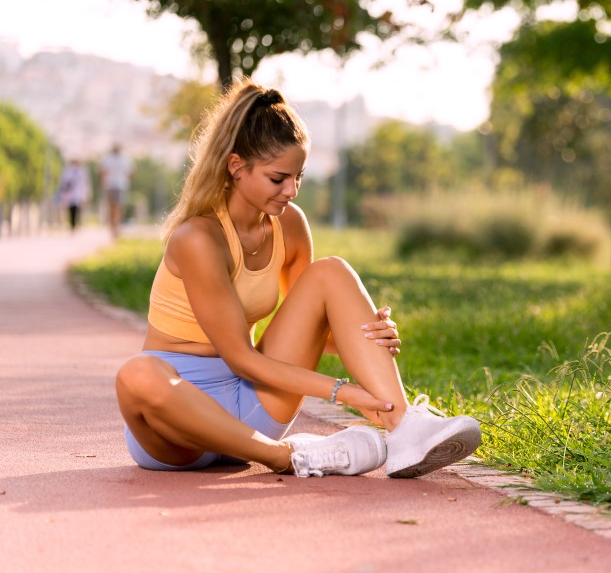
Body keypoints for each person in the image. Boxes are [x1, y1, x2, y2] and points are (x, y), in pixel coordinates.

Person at [115, 79, 481, 478]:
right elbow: (241, 356)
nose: (292, 190)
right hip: (176, 429)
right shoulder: (198, 239)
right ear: (237, 167)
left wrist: (366, 336)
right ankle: (288, 457)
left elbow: (314, 335)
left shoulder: (289, 225)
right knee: (137, 374)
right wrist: (340, 391)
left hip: (252, 404)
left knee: (332, 272)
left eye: (299, 176)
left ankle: (404, 428)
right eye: (278, 178)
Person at [99, 142, 133, 238]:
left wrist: (102, 183)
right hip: (120, 185)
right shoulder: (125, 159)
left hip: (111, 185)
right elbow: (130, 173)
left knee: (112, 207)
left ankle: (113, 226)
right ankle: (115, 226)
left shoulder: (107, 158)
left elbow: (102, 172)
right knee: (118, 207)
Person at [57, 158, 92, 232]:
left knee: (78, 209)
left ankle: (77, 224)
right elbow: (63, 182)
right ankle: (72, 225)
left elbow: (86, 183)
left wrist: (87, 193)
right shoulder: (67, 170)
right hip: (70, 194)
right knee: (71, 210)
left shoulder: (82, 170)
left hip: (79, 193)